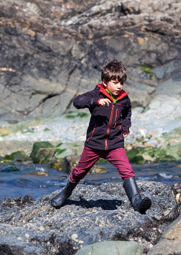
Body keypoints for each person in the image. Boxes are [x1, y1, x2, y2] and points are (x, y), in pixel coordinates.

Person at [50, 59, 152, 214]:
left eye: (121, 83)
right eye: (115, 82)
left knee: (127, 170)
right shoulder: (96, 94)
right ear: (105, 82)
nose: (119, 86)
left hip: (115, 144)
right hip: (94, 144)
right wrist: (96, 101)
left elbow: (127, 114)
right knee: (79, 171)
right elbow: (77, 102)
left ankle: (137, 201)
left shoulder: (124, 99)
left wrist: (125, 128)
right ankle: (65, 193)